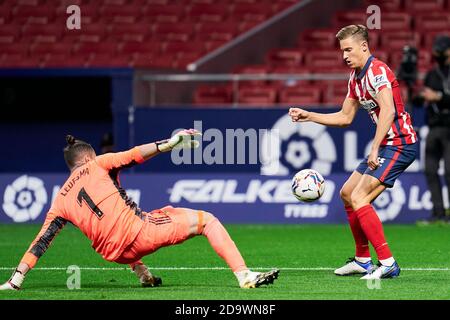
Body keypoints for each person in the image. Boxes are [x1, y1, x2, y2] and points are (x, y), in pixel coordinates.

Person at [0, 130, 279, 290]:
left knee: (151, 212)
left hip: (116, 255)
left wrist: (16, 280)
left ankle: (143, 275)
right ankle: (245, 275)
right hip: (139, 235)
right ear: (87, 157)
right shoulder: (98, 164)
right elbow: (135, 153)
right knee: (207, 221)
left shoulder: (59, 200)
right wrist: (168, 144)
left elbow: (41, 242)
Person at [289, 25, 418, 280]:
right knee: (347, 193)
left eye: (348, 49)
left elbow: (389, 110)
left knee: (360, 197)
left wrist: (373, 148)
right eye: (342, 51)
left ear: (363, 47)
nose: (345, 55)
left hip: (401, 144)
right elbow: (345, 117)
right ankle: (362, 260)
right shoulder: (355, 78)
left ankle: (388, 262)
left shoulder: (378, 70)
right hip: (386, 145)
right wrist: (309, 116)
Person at [420, 35, 450, 222]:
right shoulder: (432, 74)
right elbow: (423, 99)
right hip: (434, 127)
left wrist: (439, 97)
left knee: (449, 170)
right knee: (430, 170)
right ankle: (438, 212)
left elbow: (436, 97)